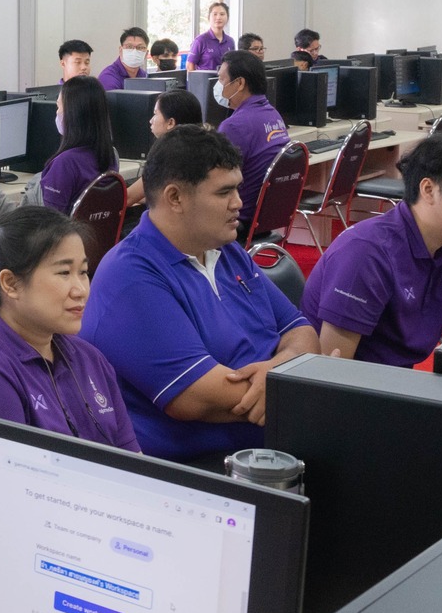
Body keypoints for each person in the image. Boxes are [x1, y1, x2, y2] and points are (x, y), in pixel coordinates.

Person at [81, 127, 317, 466]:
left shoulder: (227, 250)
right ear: (175, 198)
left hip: (271, 440)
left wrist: (275, 372)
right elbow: (199, 398)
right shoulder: (131, 276)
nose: (239, 202)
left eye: (237, 188)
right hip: (199, 468)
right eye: (224, 192)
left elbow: (303, 333)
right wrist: (303, 381)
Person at [0, 207, 137, 451]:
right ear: (10, 284)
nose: (81, 289)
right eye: (64, 273)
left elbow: (132, 462)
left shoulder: (89, 359)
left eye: (83, 272)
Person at [303, 129, 442, 366]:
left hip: (400, 385)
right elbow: (328, 370)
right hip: (358, 390)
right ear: (428, 190)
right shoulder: (367, 252)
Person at [216, 51, 289, 223]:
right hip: (266, 216)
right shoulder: (273, 115)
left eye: (221, 80)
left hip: (237, 217)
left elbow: (214, 179)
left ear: (240, 83)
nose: (218, 86)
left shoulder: (235, 126)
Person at [41, 76, 119, 213]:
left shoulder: (64, 164)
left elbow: (51, 224)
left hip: (65, 234)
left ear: (73, 114)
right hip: (96, 234)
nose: (57, 112)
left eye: (58, 106)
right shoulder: (110, 155)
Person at [189, 2, 237, 73]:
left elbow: (233, 65)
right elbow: (190, 65)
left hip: (225, 82)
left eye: (222, 14)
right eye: (215, 14)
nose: (218, 17)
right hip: (205, 82)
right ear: (209, 18)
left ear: (227, 18)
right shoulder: (200, 40)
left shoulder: (230, 41)